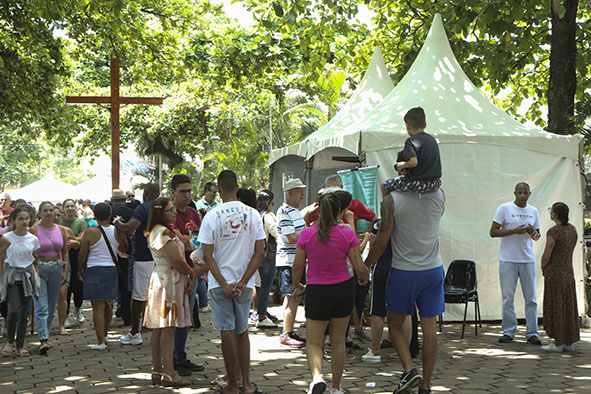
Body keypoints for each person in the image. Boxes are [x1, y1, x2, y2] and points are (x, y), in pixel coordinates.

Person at [364, 182, 445, 394]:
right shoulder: (438, 194)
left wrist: (365, 266)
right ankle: (426, 385)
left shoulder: (392, 200)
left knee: (394, 323)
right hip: (433, 269)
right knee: (430, 329)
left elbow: (381, 240)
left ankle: (409, 370)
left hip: (404, 271)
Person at [292, 192, 369, 394]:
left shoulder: (307, 234)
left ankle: (317, 377)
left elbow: (298, 265)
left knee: (314, 341)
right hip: (342, 290)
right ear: (340, 212)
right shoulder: (347, 234)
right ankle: (336, 387)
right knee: (338, 341)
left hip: (317, 291)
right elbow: (358, 265)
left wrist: (295, 284)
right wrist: (364, 277)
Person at [198, 169, 265, 394]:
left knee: (226, 331)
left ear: (218, 189)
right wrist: (244, 281)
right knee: (242, 331)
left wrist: (225, 284)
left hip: (220, 284)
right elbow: (260, 252)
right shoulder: (253, 214)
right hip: (243, 283)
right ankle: (246, 384)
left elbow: (207, 255)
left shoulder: (211, 216)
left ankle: (232, 386)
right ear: (237, 188)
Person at [144, 196, 195, 387]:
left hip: (164, 279)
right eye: (171, 210)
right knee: (168, 328)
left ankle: (158, 370)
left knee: (160, 328)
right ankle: (169, 372)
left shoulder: (158, 231)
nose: (174, 213)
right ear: (160, 212)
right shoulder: (163, 232)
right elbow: (177, 261)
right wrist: (192, 274)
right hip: (169, 282)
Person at [490, 182, 542, 345]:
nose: (522, 195)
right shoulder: (504, 208)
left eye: (525, 193)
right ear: (514, 193)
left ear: (529, 194)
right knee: (507, 297)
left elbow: (537, 236)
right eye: (519, 192)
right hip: (508, 260)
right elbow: (493, 232)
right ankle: (508, 331)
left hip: (527, 260)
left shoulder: (533, 211)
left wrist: (531, 231)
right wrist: (514, 231)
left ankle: (532, 333)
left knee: (531, 298)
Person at [115, 183, 160, 346]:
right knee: (159, 294)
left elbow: (129, 228)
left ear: (146, 193)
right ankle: (158, 328)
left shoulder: (144, 208)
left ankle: (135, 332)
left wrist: (118, 222)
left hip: (143, 257)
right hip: (162, 257)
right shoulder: (164, 207)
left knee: (139, 296)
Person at [78, 202, 128, 350]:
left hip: (94, 269)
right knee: (108, 305)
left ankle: (100, 341)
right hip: (112, 269)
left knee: (97, 307)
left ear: (94, 216)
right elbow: (124, 248)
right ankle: (105, 334)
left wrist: (80, 269)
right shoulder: (116, 231)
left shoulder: (90, 232)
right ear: (109, 214)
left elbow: (82, 253)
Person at [169, 174, 205, 376]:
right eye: (183, 191)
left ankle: (180, 357)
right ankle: (172, 359)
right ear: (173, 191)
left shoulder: (193, 211)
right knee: (176, 318)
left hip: (194, 269)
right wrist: (189, 240)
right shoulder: (170, 213)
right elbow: (179, 240)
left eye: (189, 191)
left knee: (187, 317)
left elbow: (197, 239)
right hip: (176, 271)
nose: (187, 195)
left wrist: (189, 240)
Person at [28, 201, 69, 355]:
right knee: (41, 305)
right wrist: (34, 266)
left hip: (56, 267)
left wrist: (65, 269)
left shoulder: (61, 230)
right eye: (45, 210)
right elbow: (29, 250)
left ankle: (46, 333)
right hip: (40, 268)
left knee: (52, 306)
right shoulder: (33, 230)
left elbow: (65, 251)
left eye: (51, 210)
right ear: (39, 213)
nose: (49, 213)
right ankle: (43, 339)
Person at [0, 208, 41, 357]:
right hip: (11, 277)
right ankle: (10, 341)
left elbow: (35, 258)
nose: (24, 222)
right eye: (20, 219)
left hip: (27, 278)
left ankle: (20, 345)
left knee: (24, 313)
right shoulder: (6, 237)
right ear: (13, 221)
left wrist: (36, 276)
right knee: (13, 311)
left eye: (26, 218)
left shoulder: (33, 238)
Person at [541, 202, 579, 352]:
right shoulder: (572, 229)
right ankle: (568, 341)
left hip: (555, 274)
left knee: (556, 306)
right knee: (568, 306)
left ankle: (558, 342)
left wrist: (543, 267)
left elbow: (547, 255)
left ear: (554, 214)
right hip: (568, 272)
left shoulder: (554, 231)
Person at [276, 178, 307, 348]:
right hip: (288, 261)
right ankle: (286, 333)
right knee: (292, 296)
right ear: (290, 192)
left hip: (296, 260)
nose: (302, 194)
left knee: (294, 296)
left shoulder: (295, 211)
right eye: (299, 191)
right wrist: (309, 232)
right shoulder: (285, 211)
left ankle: (290, 330)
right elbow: (290, 237)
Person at [382, 107, 442, 195]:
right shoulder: (432, 139)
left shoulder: (410, 141)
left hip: (419, 183)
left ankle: (388, 208)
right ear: (425, 125)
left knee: (384, 186)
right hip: (435, 183)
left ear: (407, 126)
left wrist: (401, 165)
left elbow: (413, 162)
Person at [59, 199, 87, 331]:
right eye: (67, 206)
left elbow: (83, 238)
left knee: (78, 285)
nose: (70, 208)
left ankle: (77, 309)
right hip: (62, 255)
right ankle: (65, 315)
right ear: (63, 208)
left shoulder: (80, 222)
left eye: (72, 206)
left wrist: (74, 241)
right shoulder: (60, 222)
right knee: (65, 288)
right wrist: (75, 240)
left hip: (77, 256)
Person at [255, 190, 279, 329]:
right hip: (268, 255)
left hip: (259, 254)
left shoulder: (258, 215)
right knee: (266, 287)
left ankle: (261, 312)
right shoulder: (269, 216)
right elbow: (276, 233)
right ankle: (262, 316)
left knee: (260, 286)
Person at [111, 189, 134, 326]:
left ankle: (108, 312)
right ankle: (127, 315)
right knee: (126, 285)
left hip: (109, 252)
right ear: (124, 200)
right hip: (127, 252)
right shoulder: (130, 213)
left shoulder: (108, 212)